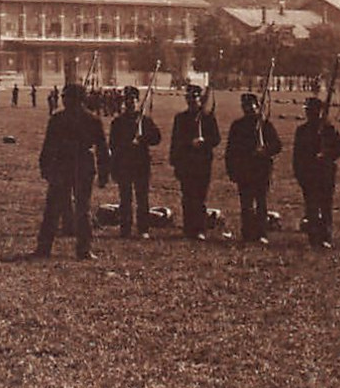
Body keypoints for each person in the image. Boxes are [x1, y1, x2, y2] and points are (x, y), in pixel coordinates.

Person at [34, 83, 111, 260]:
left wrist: (45, 167)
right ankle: (75, 249)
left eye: (67, 97)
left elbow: (102, 148)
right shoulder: (89, 119)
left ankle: (50, 248)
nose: (64, 100)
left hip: (70, 165)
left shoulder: (62, 119)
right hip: (75, 166)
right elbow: (49, 146)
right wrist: (103, 172)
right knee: (65, 208)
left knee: (72, 209)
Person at [225, 92, 283, 245]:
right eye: (245, 106)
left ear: (258, 107)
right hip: (244, 169)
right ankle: (247, 233)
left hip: (261, 170)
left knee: (261, 203)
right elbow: (230, 150)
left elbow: (277, 145)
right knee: (246, 204)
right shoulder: (237, 126)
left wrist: (265, 150)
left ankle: (261, 233)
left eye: (252, 106)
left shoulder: (265, 125)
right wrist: (231, 170)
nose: (248, 109)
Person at [107, 85, 162, 238]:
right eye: (128, 100)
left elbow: (157, 138)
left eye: (133, 100)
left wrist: (142, 139)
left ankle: (143, 228)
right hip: (124, 164)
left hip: (141, 164)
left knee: (142, 197)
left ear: (138, 101)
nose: (130, 102)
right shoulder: (118, 122)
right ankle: (125, 228)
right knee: (125, 198)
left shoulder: (144, 120)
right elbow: (112, 144)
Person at [292, 96, 340, 249]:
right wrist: (300, 175)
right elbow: (297, 156)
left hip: (325, 174)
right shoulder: (302, 131)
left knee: (326, 207)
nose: (309, 114)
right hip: (309, 175)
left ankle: (326, 237)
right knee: (311, 208)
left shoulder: (329, 129)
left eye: (312, 111)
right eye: (308, 111)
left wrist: (326, 154)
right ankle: (314, 239)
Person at [170, 85, 222, 240]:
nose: (192, 101)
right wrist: (175, 161)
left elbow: (216, 139)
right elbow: (176, 141)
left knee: (200, 196)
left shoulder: (207, 118)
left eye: (195, 98)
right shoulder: (180, 118)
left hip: (202, 163)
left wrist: (204, 141)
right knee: (187, 196)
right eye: (190, 98)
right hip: (186, 163)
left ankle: (199, 229)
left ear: (200, 99)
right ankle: (188, 228)